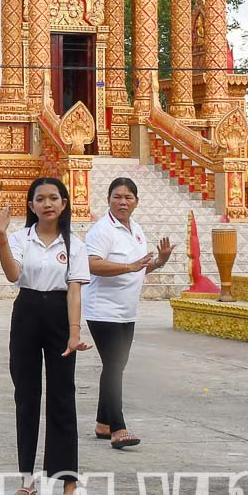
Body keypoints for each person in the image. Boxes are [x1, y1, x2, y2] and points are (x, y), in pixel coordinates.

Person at [0, 176, 90, 495]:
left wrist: (75, 332)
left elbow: (75, 289)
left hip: (60, 316)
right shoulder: (21, 238)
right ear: (31, 206)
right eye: (40, 199)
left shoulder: (75, 245)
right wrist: (1, 237)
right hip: (27, 312)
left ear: (64, 204)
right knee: (27, 395)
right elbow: (12, 275)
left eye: (54, 198)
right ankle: (26, 478)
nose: (47, 204)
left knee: (63, 396)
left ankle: (69, 481)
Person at [82, 178, 172, 449]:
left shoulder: (136, 229)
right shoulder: (102, 230)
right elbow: (91, 264)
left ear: (136, 201)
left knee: (116, 365)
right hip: (103, 309)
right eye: (117, 197)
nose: (123, 202)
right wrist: (128, 267)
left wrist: (160, 261)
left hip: (126, 310)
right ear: (108, 199)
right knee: (114, 365)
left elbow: (139, 268)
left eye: (128, 197)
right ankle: (118, 428)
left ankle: (102, 422)